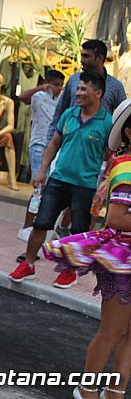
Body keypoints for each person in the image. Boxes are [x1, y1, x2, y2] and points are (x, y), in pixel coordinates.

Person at [43, 98, 131, 399]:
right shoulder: (127, 168)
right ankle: (87, 389)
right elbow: (118, 217)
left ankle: (116, 392)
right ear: (129, 133)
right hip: (123, 261)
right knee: (113, 331)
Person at [9, 72, 113, 289]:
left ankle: (70, 271)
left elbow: (109, 154)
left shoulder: (107, 122)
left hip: (84, 185)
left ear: (98, 93)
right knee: (41, 223)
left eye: (84, 89)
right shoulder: (69, 114)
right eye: (78, 88)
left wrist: (104, 181)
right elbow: (54, 144)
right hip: (58, 179)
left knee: (78, 231)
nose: (78, 93)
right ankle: (28, 264)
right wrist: (42, 172)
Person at [15, 70, 64, 245]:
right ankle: (27, 226)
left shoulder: (61, 101)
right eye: (56, 84)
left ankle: (37, 227)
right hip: (38, 145)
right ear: (49, 83)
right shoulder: (38, 97)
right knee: (39, 186)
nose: (59, 88)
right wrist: (41, 87)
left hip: (54, 146)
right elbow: (22, 96)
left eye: (61, 85)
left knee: (48, 188)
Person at [46, 40, 125, 143]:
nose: (82, 60)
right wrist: (50, 142)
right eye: (82, 56)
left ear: (100, 58)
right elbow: (59, 112)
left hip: (97, 148)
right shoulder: (73, 80)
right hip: (68, 144)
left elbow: (123, 118)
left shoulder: (115, 86)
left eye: (87, 56)